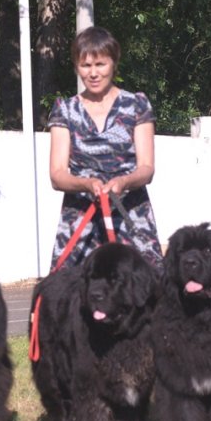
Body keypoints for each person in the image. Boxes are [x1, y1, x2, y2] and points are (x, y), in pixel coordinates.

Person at [46, 26, 163, 271]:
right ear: (77, 67)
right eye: (85, 66)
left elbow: (147, 168)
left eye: (100, 64)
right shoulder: (64, 110)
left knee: (148, 289)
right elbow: (57, 174)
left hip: (130, 213)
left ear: (114, 63)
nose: (93, 73)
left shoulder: (136, 105)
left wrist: (123, 182)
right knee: (66, 293)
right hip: (80, 216)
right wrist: (86, 184)